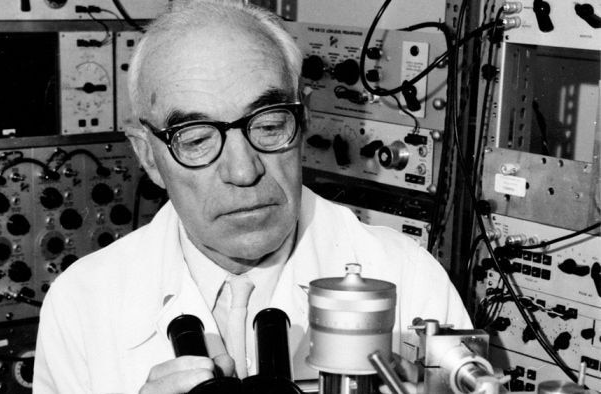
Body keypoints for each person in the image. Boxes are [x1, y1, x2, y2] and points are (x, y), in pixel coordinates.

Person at [33, 1, 472, 393]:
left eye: (268, 125)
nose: (244, 171)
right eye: (197, 138)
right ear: (148, 155)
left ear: (304, 124)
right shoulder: (82, 301)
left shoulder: (409, 279)